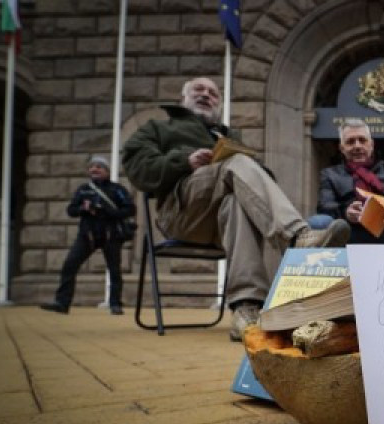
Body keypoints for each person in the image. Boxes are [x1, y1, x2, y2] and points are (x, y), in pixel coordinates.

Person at [122, 77, 350, 341]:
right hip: (181, 212)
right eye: (198, 90)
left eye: (213, 93)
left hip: (220, 221)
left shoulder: (228, 135)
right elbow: (137, 169)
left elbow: (262, 179)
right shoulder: (159, 128)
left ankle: (246, 308)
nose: (206, 95)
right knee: (236, 162)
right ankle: (297, 238)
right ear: (182, 99)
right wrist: (184, 161)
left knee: (236, 204)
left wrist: (250, 168)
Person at [41, 156, 136, 315]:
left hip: (110, 235)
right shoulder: (83, 189)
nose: (94, 169)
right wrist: (84, 209)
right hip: (87, 236)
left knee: (114, 271)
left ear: (106, 171)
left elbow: (130, 210)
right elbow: (71, 210)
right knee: (69, 265)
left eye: (99, 166)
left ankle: (115, 304)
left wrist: (106, 210)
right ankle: (62, 303)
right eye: (92, 166)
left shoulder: (117, 189)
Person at [311, 119, 384, 244]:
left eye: (362, 140)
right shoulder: (329, 174)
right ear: (342, 148)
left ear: (371, 145)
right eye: (350, 142)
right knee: (318, 222)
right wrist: (346, 213)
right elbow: (325, 207)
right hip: (350, 233)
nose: (357, 146)